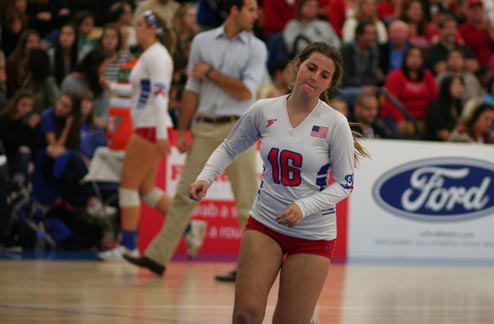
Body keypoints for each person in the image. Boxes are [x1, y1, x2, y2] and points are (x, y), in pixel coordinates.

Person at [188, 41, 367, 324]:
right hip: (265, 223)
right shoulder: (264, 110)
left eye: (324, 75)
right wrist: (205, 177)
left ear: (330, 83)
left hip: (313, 235)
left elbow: (345, 184)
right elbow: (229, 146)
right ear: (296, 66)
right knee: (245, 315)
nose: (315, 77)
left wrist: (304, 207)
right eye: (311, 68)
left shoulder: (335, 124)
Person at [122, 0, 267, 279]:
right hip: (204, 127)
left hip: (239, 129)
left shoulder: (257, 47)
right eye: (250, 9)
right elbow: (191, 88)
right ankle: (156, 257)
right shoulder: (202, 41)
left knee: (247, 203)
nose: (255, 15)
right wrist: (182, 129)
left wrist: (210, 73)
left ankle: (250, 268)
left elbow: (245, 92)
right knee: (184, 195)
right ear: (234, 10)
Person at [97, 10, 175, 261]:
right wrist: (113, 87)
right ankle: (189, 227)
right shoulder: (148, 56)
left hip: (151, 127)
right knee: (146, 188)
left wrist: (162, 134)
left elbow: (161, 96)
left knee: (127, 185)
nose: (135, 29)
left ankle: (128, 246)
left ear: (152, 30)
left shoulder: (157, 57)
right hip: (148, 125)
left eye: (140, 25)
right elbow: (138, 89)